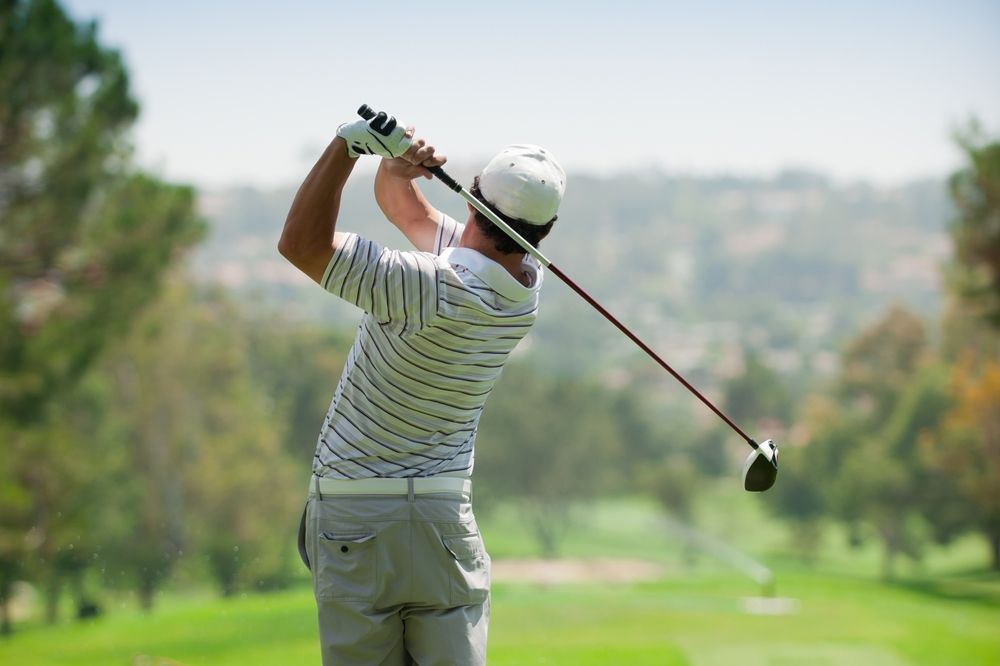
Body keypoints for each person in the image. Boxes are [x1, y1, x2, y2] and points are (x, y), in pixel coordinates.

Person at [278, 108, 565, 665]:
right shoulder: (525, 288)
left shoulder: (421, 284)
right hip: (443, 525)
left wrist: (346, 147)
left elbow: (299, 243)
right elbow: (406, 210)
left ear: (473, 201)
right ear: (543, 233)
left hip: (354, 518)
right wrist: (396, 168)